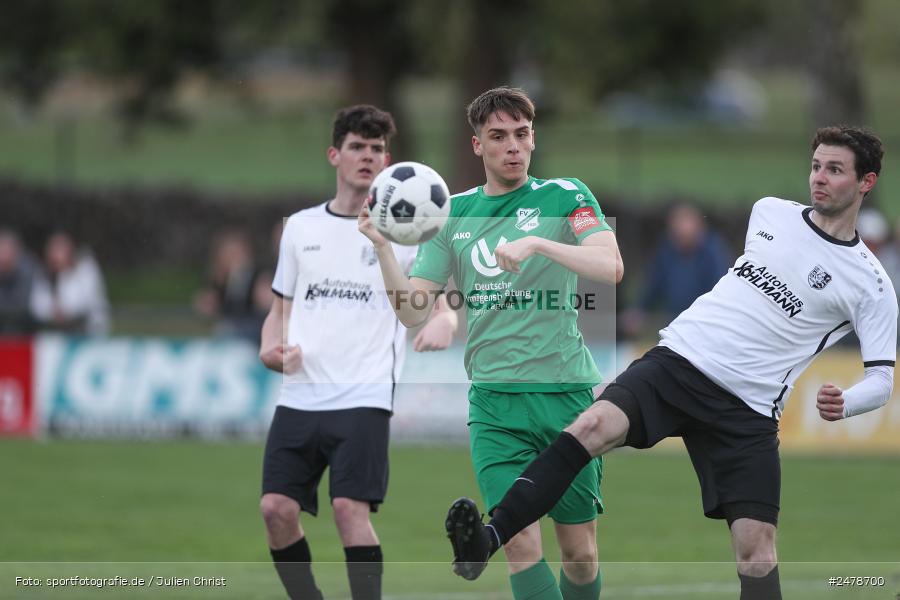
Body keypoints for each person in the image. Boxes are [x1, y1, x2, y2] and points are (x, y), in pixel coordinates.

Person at [446, 126, 897, 600]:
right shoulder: (770, 213)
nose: (819, 177)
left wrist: (845, 403)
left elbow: (882, 380)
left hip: (746, 409)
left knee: (757, 552)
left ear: (866, 182)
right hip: (679, 361)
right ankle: (488, 537)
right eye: (816, 166)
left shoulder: (871, 284)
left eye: (835, 170)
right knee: (591, 425)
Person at [359, 87, 623, 600]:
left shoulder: (566, 196)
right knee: (520, 546)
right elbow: (413, 308)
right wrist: (385, 251)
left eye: (521, 135)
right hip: (494, 406)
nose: (513, 147)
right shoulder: (452, 214)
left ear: (533, 138)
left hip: (565, 399)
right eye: (498, 137)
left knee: (581, 554)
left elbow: (610, 266)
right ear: (476, 144)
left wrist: (540, 242)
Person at [258, 104, 458, 600]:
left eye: (376, 149)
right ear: (335, 155)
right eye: (356, 147)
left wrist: (446, 323)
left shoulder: (407, 231)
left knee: (351, 511)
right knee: (275, 511)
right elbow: (279, 309)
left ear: (387, 160)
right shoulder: (301, 228)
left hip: (364, 397)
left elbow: (445, 301)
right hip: (300, 396)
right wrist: (269, 346)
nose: (367, 157)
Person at [620, 202, 730, 337]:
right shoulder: (667, 249)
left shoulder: (713, 252)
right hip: (675, 324)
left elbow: (718, 290)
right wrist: (639, 310)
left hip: (706, 325)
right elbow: (654, 284)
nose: (680, 233)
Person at [30, 232, 110, 335]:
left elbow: (85, 302)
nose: (56, 257)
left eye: (60, 250)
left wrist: (64, 311)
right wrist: (52, 313)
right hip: (56, 333)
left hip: (89, 331)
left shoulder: (86, 270)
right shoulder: (43, 275)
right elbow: (37, 306)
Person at [0, 229, 38, 334]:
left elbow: (23, 306)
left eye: (6, 252)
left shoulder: (28, 270)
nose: (3, 258)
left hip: (22, 332)